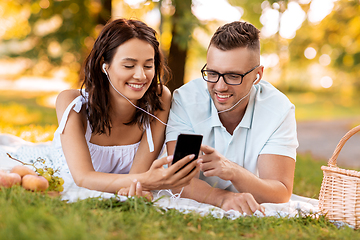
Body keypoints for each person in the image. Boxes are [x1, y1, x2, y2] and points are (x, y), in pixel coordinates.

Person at [52, 18, 200, 198]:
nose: (141, 75)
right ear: (104, 66)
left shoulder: (159, 98)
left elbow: (136, 178)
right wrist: (148, 181)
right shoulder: (73, 103)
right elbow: (83, 178)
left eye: (148, 65)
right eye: (129, 65)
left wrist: (139, 184)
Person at [166, 21, 298, 214]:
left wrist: (234, 171)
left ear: (257, 75)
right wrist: (223, 198)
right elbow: (177, 181)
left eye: (233, 76)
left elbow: (281, 193)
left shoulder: (278, 110)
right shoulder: (187, 102)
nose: (220, 87)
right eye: (212, 73)